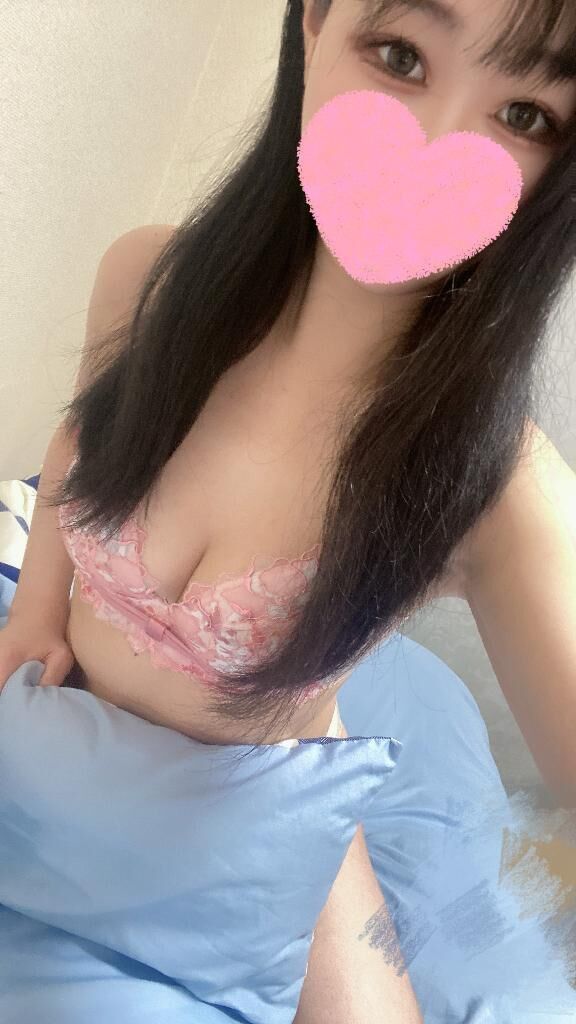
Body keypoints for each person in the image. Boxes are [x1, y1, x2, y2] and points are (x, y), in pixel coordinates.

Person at [1, 0, 576, 1019]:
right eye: (399, 54)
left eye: (525, 115)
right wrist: (40, 610)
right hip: (68, 736)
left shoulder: (493, 478)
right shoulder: (148, 282)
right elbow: (79, 446)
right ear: (312, 21)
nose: (434, 143)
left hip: (250, 811)